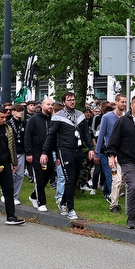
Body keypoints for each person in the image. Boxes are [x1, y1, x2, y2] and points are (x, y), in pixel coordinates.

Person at [41, 92, 95, 221]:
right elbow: (51, 136)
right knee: (69, 179)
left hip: (78, 150)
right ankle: (71, 209)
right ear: (64, 102)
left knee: (74, 178)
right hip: (64, 150)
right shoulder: (58, 117)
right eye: (69, 100)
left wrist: (91, 148)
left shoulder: (80, 115)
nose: (72, 102)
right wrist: (45, 152)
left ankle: (63, 201)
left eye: (73, 100)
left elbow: (86, 134)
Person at [105, 96, 135, 229]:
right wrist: (111, 155)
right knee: (132, 185)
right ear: (131, 106)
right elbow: (114, 140)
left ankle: (133, 214)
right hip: (127, 160)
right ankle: (130, 218)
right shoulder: (123, 122)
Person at [25, 97, 54, 212]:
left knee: (49, 172)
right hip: (36, 151)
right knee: (39, 176)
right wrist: (28, 152)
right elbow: (27, 135)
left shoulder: (53, 119)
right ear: (42, 106)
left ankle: (33, 195)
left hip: (49, 152)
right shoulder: (34, 119)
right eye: (48, 104)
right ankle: (41, 202)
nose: (50, 107)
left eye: (51, 105)